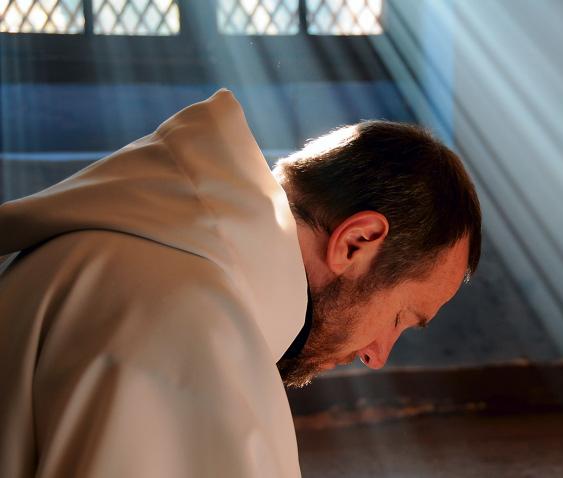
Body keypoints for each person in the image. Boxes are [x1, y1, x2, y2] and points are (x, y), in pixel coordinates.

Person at [0, 89, 481, 477]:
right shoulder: (190, 328)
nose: (377, 356)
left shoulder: (132, 252)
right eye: (399, 318)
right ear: (356, 243)